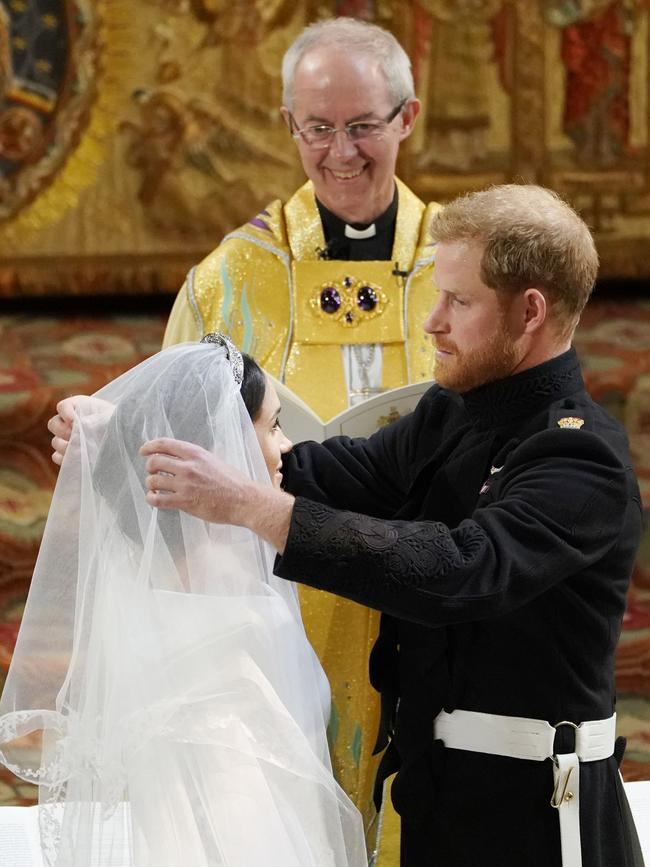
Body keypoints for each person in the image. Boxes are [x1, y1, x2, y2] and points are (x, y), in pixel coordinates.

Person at [138, 185, 645, 867]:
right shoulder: (458, 410)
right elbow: (334, 473)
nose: (432, 321)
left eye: (458, 302)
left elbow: (459, 569)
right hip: (441, 797)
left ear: (530, 313)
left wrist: (250, 506)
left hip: (537, 815)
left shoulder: (580, 456)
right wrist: (126, 435)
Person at [49, 17, 439, 826]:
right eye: (318, 128)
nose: (340, 152)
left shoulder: (462, 266)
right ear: (289, 125)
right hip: (274, 598)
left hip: (430, 586)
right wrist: (98, 436)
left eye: (363, 126)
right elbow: (163, 448)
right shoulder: (230, 278)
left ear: (407, 117)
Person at [2, 335, 366, 866]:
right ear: (220, 445)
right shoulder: (225, 565)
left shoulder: (154, 545)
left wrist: (117, 431)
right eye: (272, 427)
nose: (287, 446)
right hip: (238, 805)